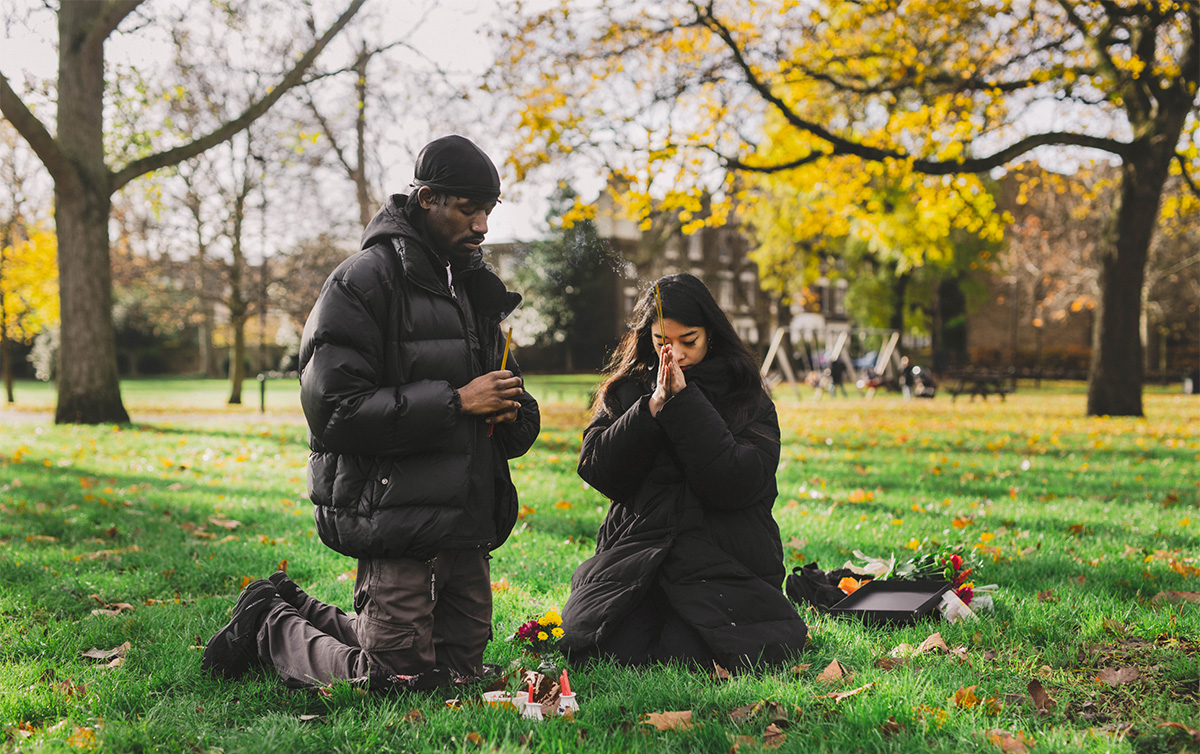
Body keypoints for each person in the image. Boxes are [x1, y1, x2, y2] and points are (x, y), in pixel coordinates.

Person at [201, 135, 540, 690]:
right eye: (468, 208)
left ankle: (291, 601)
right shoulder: (362, 282)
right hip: (397, 515)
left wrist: (513, 413)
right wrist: (457, 401)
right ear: (427, 199)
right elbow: (333, 410)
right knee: (396, 674)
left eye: (489, 210)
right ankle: (269, 622)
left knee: (459, 674)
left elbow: (509, 401)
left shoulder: (477, 289)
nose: (482, 225)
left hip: (469, 519)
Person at [558, 274, 808, 672]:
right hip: (638, 554)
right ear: (647, 337)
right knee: (606, 645)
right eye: (662, 342)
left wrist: (686, 405)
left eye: (688, 341)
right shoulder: (626, 390)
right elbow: (599, 470)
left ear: (711, 333)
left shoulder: (745, 393)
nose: (674, 354)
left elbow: (738, 484)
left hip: (724, 554)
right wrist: (649, 409)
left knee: (700, 649)